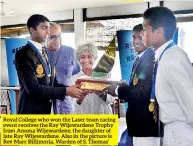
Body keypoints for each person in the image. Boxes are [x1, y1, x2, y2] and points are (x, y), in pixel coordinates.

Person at [142, 7, 193, 146]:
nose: (142, 34)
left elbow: (190, 102)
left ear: (158, 31)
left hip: (182, 133)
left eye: (145, 28)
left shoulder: (174, 58)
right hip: (171, 130)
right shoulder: (163, 57)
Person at [15, 14, 86, 114]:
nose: (48, 32)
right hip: (31, 112)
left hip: (47, 111)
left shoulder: (44, 52)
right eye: (44, 28)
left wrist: (72, 89)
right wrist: (66, 91)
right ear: (32, 30)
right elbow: (34, 89)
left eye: (48, 28)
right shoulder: (23, 54)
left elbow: (50, 82)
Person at [104, 24, 160, 146]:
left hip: (145, 123)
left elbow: (143, 93)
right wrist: (124, 86)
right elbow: (139, 86)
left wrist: (118, 90)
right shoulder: (140, 59)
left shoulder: (150, 58)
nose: (136, 41)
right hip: (138, 123)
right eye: (134, 37)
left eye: (140, 37)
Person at [46, 22, 80, 114]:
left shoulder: (72, 53)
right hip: (45, 103)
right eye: (52, 36)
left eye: (59, 35)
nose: (57, 39)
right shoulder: (39, 54)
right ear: (45, 36)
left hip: (66, 103)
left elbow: (77, 77)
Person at [73, 43, 116, 114]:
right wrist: (80, 98)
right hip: (83, 115)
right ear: (78, 59)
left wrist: (101, 94)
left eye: (89, 57)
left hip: (103, 114)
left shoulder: (105, 75)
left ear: (95, 58)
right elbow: (72, 104)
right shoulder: (74, 78)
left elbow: (112, 98)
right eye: (82, 57)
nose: (86, 60)